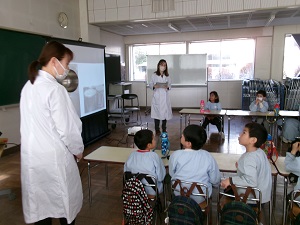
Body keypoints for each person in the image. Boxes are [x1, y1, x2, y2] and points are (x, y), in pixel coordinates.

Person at [20, 41, 84, 225]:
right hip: (53, 158)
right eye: (67, 63)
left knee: (41, 208)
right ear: (55, 61)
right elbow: (67, 128)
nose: (68, 68)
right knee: (64, 203)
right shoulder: (55, 90)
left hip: (32, 157)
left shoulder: (28, 87)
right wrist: (77, 149)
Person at [221, 122, 272, 224]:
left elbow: (251, 181)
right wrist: (240, 166)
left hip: (250, 198)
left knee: (224, 189)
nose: (240, 134)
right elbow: (255, 169)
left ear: (253, 140)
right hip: (262, 196)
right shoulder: (259, 152)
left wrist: (230, 180)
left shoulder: (249, 158)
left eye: (244, 132)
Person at [169, 124, 221, 204]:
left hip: (179, 194)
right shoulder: (208, 156)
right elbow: (215, 180)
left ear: (188, 143)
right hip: (200, 197)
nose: (181, 137)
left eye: (182, 136)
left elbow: (172, 174)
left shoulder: (175, 155)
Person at [124, 129, 166, 195]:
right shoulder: (154, 156)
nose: (155, 140)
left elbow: (126, 173)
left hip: (134, 190)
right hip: (153, 190)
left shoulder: (131, 155)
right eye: (154, 139)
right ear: (149, 145)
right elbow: (161, 177)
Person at [149, 59, 172, 135]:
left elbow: (170, 85)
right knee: (157, 114)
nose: (163, 67)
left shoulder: (167, 76)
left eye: (165, 65)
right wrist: (154, 86)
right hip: (157, 96)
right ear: (159, 65)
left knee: (165, 114)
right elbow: (150, 84)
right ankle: (157, 129)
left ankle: (164, 129)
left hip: (165, 97)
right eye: (162, 65)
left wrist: (167, 87)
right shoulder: (154, 75)